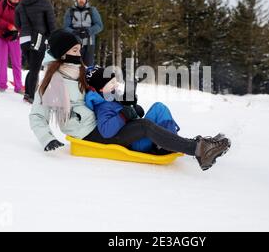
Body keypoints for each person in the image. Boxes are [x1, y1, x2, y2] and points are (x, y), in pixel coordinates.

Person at [29, 30, 231, 171]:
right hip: (91, 135)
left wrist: (125, 103)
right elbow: (37, 115)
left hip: (105, 123)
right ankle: (199, 149)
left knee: (149, 115)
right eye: (74, 51)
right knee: (144, 126)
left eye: (79, 49)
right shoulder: (51, 83)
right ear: (61, 54)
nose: (79, 54)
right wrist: (47, 139)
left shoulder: (82, 72)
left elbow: (102, 93)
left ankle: (187, 144)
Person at [84, 65, 181, 155]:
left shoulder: (113, 98)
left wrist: (133, 107)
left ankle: (171, 139)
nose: (116, 84)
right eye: (112, 82)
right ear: (101, 88)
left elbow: (128, 115)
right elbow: (105, 131)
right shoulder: (103, 107)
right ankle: (170, 142)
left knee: (159, 108)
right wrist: (123, 115)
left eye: (116, 81)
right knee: (159, 108)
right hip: (136, 142)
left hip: (138, 134)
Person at [15, 0, 56, 104]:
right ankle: (31, 96)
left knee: (32, 67)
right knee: (35, 68)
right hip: (38, 37)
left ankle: (28, 94)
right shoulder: (45, 3)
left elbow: (17, 24)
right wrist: (50, 36)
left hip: (24, 39)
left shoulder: (21, 4)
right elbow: (51, 24)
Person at [0, 0, 26, 93]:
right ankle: (2, 84)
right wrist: (8, 25)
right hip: (0, 36)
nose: (14, 0)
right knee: (2, 62)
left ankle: (18, 86)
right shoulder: (3, 3)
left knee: (17, 63)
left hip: (14, 38)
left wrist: (18, 29)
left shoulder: (21, 9)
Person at [63, 0, 103, 67]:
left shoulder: (92, 10)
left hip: (89, 43)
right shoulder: (70, 11)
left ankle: (87, 78)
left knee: (87, 67)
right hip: (75, 43)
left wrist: (88, 31)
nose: (81, 0)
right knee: (74, 66)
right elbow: (65, 27)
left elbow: (99, 25)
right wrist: (74, 32)